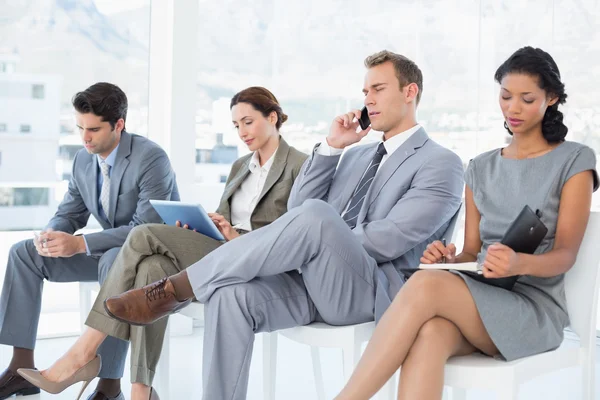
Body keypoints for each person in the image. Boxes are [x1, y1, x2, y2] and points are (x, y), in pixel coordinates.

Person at [74, 49, 466, 400]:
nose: (367, 100)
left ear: (410, 92)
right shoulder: (358, 155)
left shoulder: (441, 162)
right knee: (231, 296)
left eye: (377, 89)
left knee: (318, 219)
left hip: (367, 290)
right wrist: (331, 147)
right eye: (365, 92)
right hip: (308, 280)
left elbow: (390, 240)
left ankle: (176, 288)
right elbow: (298, 207)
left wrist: (320, 242)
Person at [331, 46, 600, 400]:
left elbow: (565, 253)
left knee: (426, 288)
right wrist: (447, 259)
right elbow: (472, 251)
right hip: (482, 296)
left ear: (551, 98)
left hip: (533, 308)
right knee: (429, 334)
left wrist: (519, 263)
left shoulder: (575, 159)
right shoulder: (480, 166)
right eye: (505, 96)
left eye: (526, 98)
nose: (513, 108)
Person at [17, 86, 308, 400]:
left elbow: (296, 235)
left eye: (248, 122)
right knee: (153, 268)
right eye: (236, 125)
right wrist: (208, 226)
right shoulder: (240, 167)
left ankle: (81, 353)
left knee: (143, 233)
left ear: (273, 117)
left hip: (258, 260)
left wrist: (237, 237)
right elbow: (225, 220)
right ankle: (141, 390)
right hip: (224, 252)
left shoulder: (299, 165)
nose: (241, 132)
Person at [0, 82, 180, 400]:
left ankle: (109, 385)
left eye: (94, 129)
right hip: (106, 248)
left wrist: (81, 244)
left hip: (147, 256)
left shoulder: (151, 159)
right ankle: (20, 366)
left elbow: (146, 229)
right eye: (80, 127)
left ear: (119, 125)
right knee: (22, 253)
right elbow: (70, 212)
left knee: (113, 263)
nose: (84, 138)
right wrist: (51, 234)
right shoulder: (83, 160)